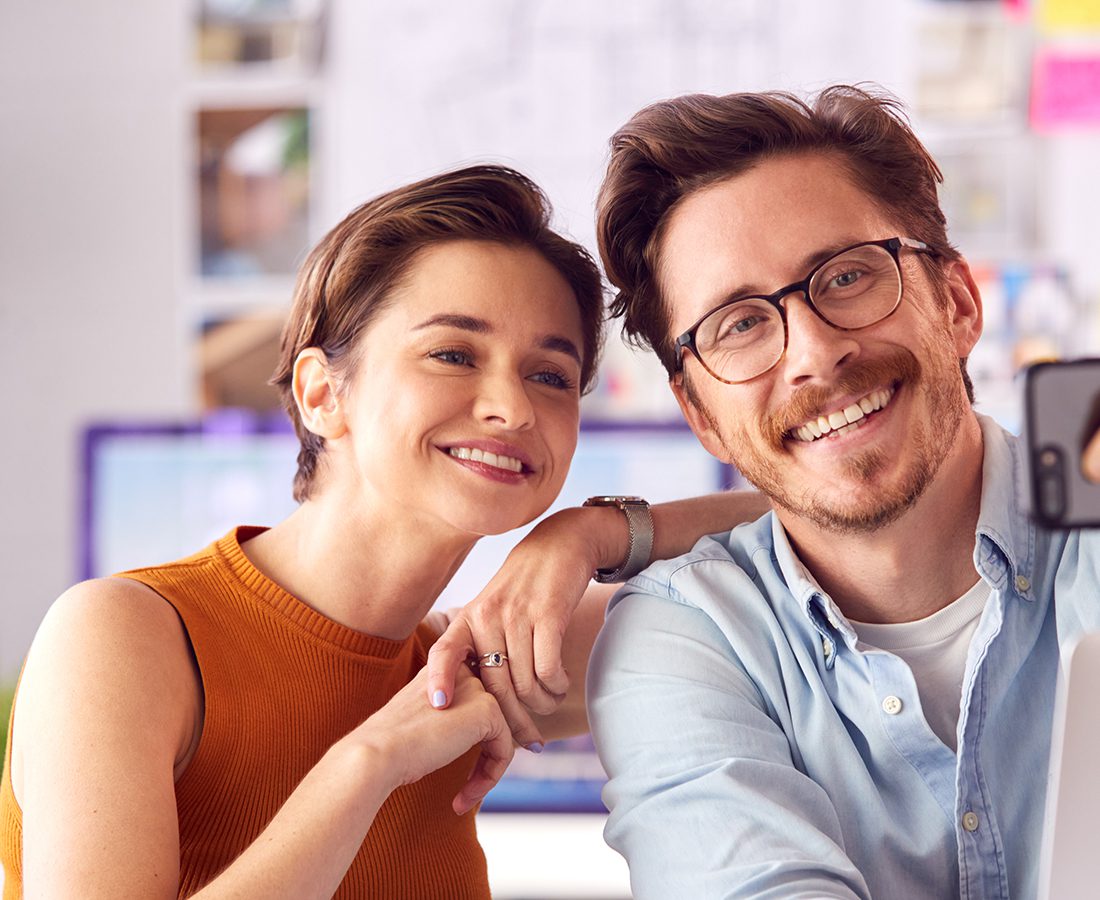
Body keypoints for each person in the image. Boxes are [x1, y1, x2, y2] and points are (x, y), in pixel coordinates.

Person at [0, 164, 767, 899]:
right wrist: (370, 763)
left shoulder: (477, 659)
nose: (513, 408)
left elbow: (834, 522)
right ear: (322, 394)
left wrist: (592, 534)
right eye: (453, 354)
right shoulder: (124, 636)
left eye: (550, 375)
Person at [576, 84, 1100, 899]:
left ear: (958, 304)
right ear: (701, 416)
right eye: (740, 324)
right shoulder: (689, 638)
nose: (815, 354)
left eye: (847, 276)